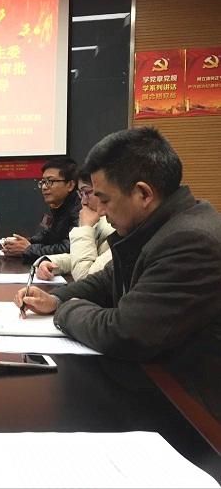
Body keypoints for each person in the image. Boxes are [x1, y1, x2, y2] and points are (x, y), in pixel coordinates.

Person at [14, 127, 221, 421]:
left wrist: (66, 311)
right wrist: (55, 298)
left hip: (191, 411)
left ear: (143, 193)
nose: (99, 210)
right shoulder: (158, 225)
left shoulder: (189, 240)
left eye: (105, 199)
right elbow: (108, 278)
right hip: (155, 382)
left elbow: (126, 332)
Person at [35, 171, 115, 281]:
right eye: (80, 194)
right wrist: (50, 261)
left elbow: (86, 278)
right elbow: (84, 257)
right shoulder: (98, 221)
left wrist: (85, 228)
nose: (83, 201)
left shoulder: (116, 229)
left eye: (86, 193)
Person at [3, 157, 80, 262]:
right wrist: (25, 243)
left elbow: (69, 249)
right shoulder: (61, 205)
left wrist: (29, 249)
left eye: (50, 181)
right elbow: (51, 235)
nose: (44, 187)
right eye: (43, 182)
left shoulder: (80, 209)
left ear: (70, 185)